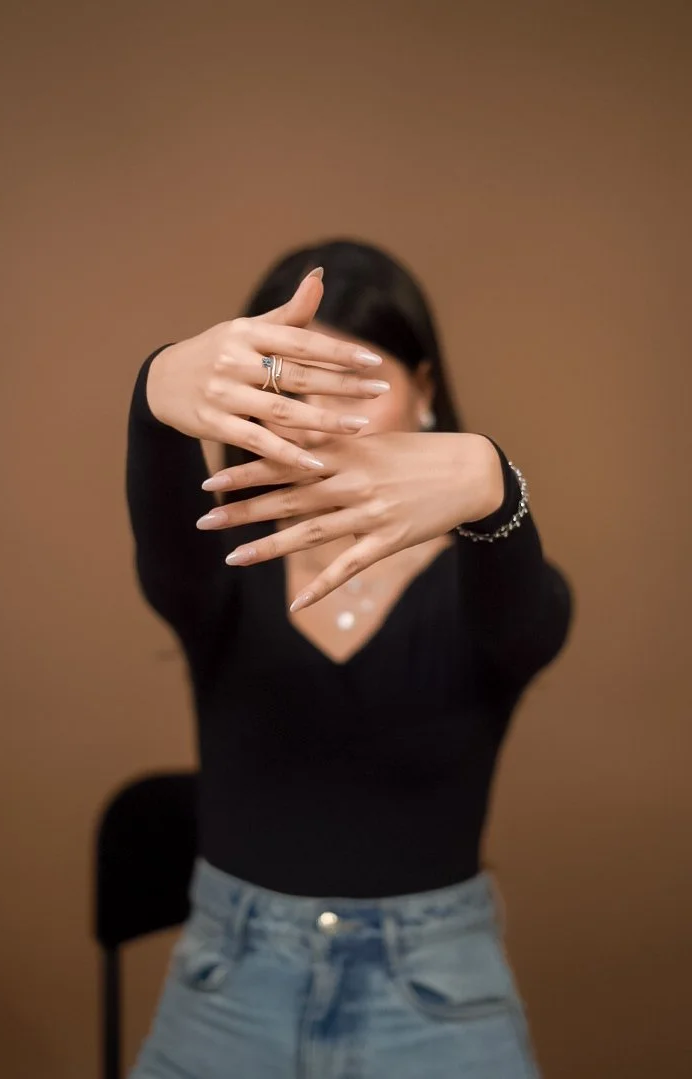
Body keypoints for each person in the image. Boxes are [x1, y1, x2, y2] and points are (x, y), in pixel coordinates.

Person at [126, 239, 572, 1079]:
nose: (316, 417)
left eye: (355, 385)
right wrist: (157, 387)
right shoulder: (228, 562)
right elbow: (164, 549)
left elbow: (532, 622)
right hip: (229, 982)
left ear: (426, 390)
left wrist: (494, 482)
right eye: (286, 385)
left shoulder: (478, 589)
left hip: (435, 991)